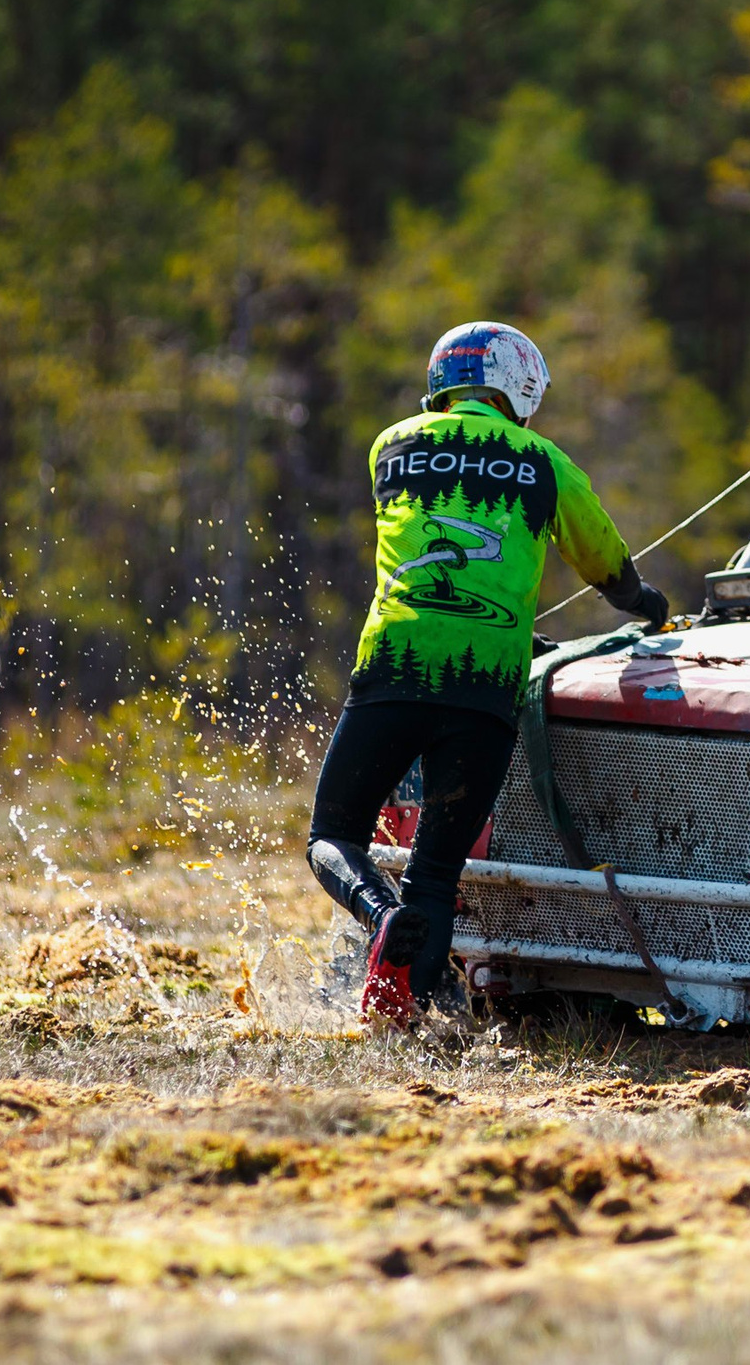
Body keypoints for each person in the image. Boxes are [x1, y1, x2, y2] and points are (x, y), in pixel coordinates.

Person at [306, 321, 670, 1029]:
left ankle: (379, 919)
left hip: (394, 670)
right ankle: (424, 1010)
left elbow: (430, 550)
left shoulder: (389, 446)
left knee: (334, 831)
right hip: (485, 692)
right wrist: (647, 603)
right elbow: (605, 563)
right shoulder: (543, 462)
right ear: (520, 387)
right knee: (436, 874)